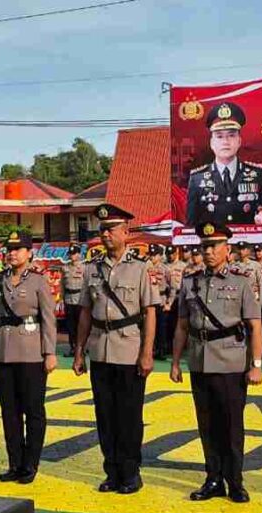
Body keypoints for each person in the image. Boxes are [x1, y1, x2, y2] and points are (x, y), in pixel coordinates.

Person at [170, 221, 262, 503]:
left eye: (214, 246)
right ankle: (213, 478)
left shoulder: (241, 282)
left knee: (232, 425)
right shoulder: (190, 282)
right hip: (199, 361)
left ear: (228, 249)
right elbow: (182, 326)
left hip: (231, 362)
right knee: (207, 425)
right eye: (205, 246)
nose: (208, 251)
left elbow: (255, 327)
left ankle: (235, 480)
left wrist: (256, 364)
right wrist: (176, 361)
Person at [73, 203, 161, 495]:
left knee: (129, 415)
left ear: (126, 232)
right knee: (105, 415)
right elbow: (86, 312)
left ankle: (130, 472)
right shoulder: (92, 269)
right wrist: (78, 351)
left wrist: (147, 352)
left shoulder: (139, 268)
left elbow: (150, 312)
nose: (106, 234)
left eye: (111, 229)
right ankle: (111, 471)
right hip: (100, 349)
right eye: (102, 230)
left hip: (128, 349)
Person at [0, 231, 57, 484]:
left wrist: (49, 353)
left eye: (18, 249)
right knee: (9, 412)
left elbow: (48, 319)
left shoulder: (38, 281)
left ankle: (30, 464)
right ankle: (15, 463)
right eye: (9, 248)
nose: (12, 253)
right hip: (3, 351)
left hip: (31, 352)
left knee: (33, 411)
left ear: (29, 253)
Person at [185, 102, 262, 226]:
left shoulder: (257, 174)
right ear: (212, 143)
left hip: (248, 243)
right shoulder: (197, 178)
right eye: (220, 136)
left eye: (231, 135)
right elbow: (191, 224)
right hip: (215, 243)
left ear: (239, 141)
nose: (225, 142)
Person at [61, 244, 86, 358]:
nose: (72, 256)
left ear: (79, 254)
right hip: (68, 299)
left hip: (80, 299)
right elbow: (62, 285)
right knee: (70, 326)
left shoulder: (84, 267)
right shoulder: (65, 268)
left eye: (74, 253)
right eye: (70, 254)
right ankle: (73, 348)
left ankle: (82, 348)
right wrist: (62, 299)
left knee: (81, 325)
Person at [148, 244, 171, 359]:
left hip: (161, 300)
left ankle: (161, 350)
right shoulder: (145, 268)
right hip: (149, 301)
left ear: (160, 256)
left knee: (161, 328)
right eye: (150, 254)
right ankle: (151, 350)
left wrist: (169, 303)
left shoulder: (165, 269)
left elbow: (173, 287)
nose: (152, 257)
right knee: (149, 327)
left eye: (154, 255)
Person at [165, 245, 186, 359]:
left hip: (180, 295)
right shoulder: (164, 265)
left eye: (172, 253)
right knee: (168, 324)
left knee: (179, 323)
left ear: (176, 253)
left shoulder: (183, 266)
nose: (170, 255)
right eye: (168, 253)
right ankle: (168, 347)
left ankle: (180, 348)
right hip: (168, 296)